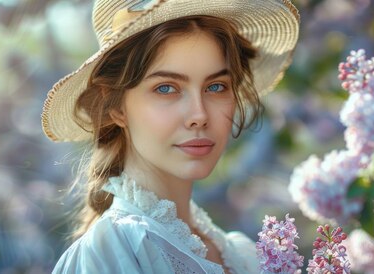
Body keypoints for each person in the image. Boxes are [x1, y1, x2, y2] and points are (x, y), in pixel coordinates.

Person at [42, 0, 299, 273]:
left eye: (216, 86)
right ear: (116, 107)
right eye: (166, 88)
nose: (199, 115)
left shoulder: (243, 255)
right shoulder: (113, 251)